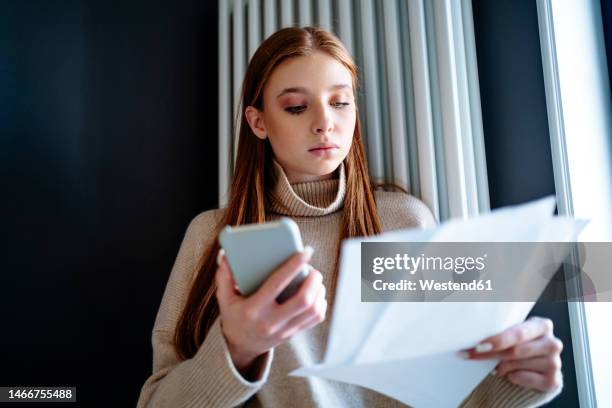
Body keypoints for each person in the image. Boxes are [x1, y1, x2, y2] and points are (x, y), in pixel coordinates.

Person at [137, 26, 563, 407]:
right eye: (296, 108)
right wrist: (236, 348)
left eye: (340, 102)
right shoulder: (212, 236)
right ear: (258, 121)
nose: (326, 123)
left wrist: (519, 383)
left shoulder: (406, 220)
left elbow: (450, 392)